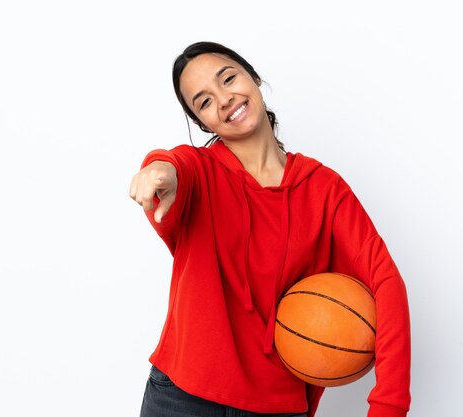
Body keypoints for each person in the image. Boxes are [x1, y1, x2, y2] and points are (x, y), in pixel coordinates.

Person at [129, 41, 411, 417]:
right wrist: (158, 170)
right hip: (180, 397)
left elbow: (385, 282)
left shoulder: (323, 188)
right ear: (202, 123)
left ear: (254, 78)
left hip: (275, 407)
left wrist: (388, 406)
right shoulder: (199, 173)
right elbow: (173, 165)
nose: (225, 99)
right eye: (205, 102)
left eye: (228, 78)